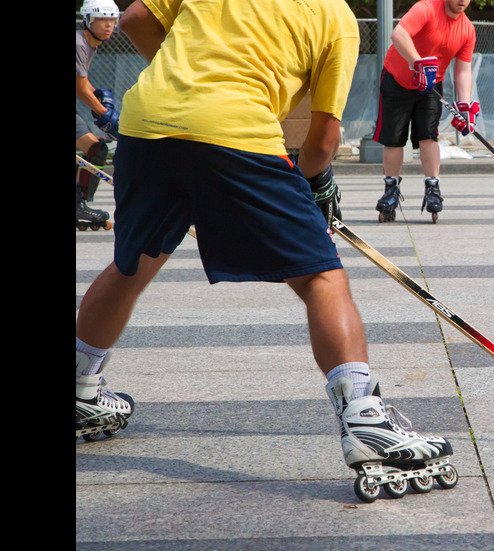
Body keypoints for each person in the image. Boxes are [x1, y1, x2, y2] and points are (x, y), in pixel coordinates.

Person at [75, 0, 454, 499]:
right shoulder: (335, 17)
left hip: (149, 124)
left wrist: (183, 74)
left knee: (133, 264)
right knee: (321, 275)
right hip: (237, 135)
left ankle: (80, 387)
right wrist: (316, 186)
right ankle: (366, 421)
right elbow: (322, 137)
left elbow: (136, 18)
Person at [372, 0, 477, 223]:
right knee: (393, 139)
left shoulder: (467, 29)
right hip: (397, 79)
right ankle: (391, 190)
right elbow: (399, 34)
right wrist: (417, 63)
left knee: (429, 135)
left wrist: (464, 105)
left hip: (431, 85)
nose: (462, 0)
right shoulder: (426, 8)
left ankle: (432, 188)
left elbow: (463, 70)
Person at [75, 0, 121, 230]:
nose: (108, 25)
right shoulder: (78, 43)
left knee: (96, 150)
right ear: (88, 20)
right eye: (102, 19)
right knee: (93, 149)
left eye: (112, 19)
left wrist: (98, 100)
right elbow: (80, 89)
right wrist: (106, 117)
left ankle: (79, 203)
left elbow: (84, 84)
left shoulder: (90, 44)